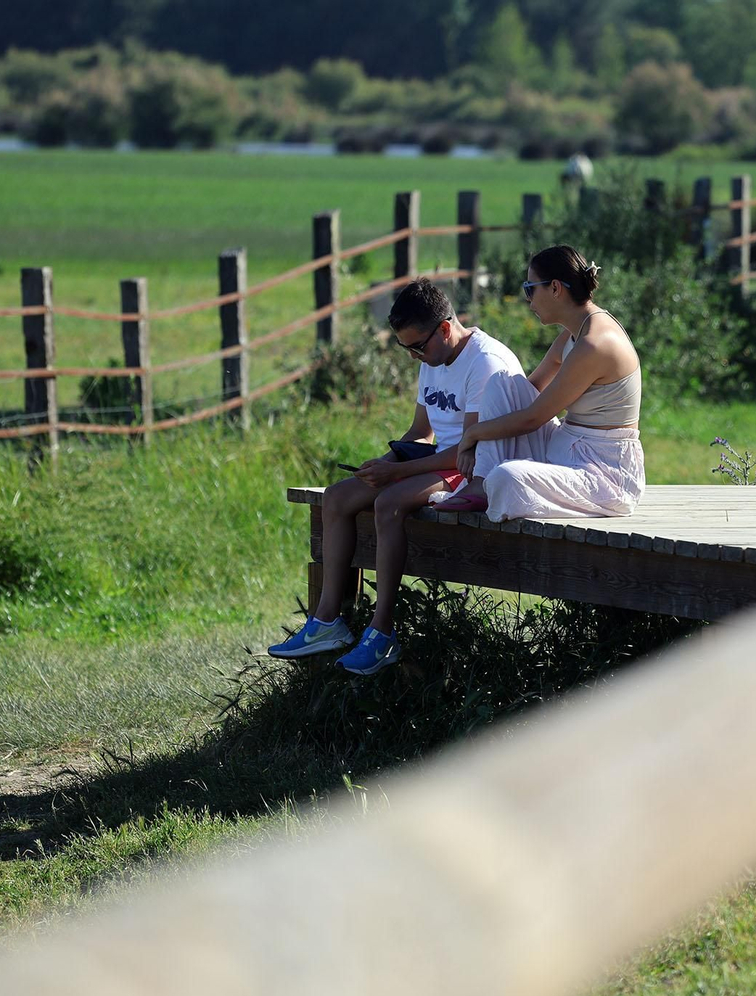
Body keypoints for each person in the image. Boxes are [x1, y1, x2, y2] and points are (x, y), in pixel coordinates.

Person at [267, 278, 535, 675]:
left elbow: (471, 448)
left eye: (416, 346)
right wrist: (383, 462)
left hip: (478, 470)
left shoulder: (485, 363)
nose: (412, 357)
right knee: (338, 497)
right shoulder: (434, 357)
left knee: (389, 503)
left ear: (445, 328)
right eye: (403, 347)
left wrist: (399, 473)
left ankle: (382, 632)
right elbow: (420, 433)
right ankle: (326, 623)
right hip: (440, 462)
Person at [441, 244, 645, 522]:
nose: (528, 300)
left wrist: (472, 435)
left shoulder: (595, 343)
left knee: (507, 477)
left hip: (603, 476)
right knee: (501, 383)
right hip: (564, 449)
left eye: (530, 289)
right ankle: (480, 484)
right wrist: (478, 438)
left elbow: (532, 418)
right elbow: (528, 389)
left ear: (556, 289)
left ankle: (487, 484)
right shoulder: (575, 332)